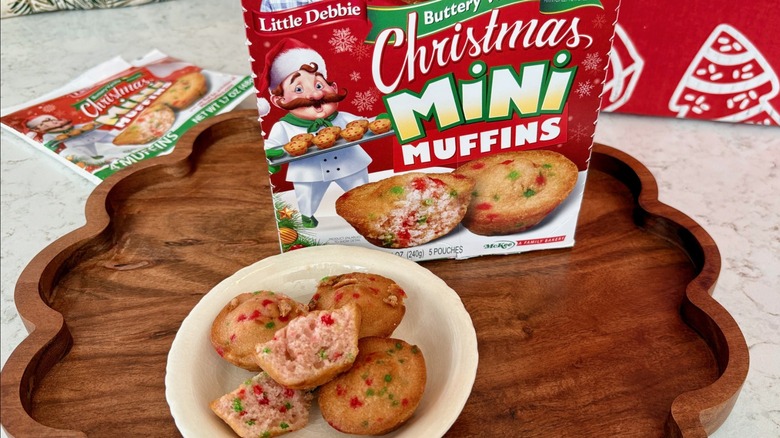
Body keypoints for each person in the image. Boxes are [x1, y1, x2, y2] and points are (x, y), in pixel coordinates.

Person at [258, 38, 373, 228]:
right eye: (298, 89)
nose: (316, 94)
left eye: (319, 85)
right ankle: (307, 217)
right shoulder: (284, 126)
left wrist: (377, 120)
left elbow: (364, 124)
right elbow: (271, 144)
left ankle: (367, 208)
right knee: (307, 195)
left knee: (361, 189)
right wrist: (270, 153)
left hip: (349, 164)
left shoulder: (342, 118)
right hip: (309, 172)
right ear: (280, 100)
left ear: (333, 88)